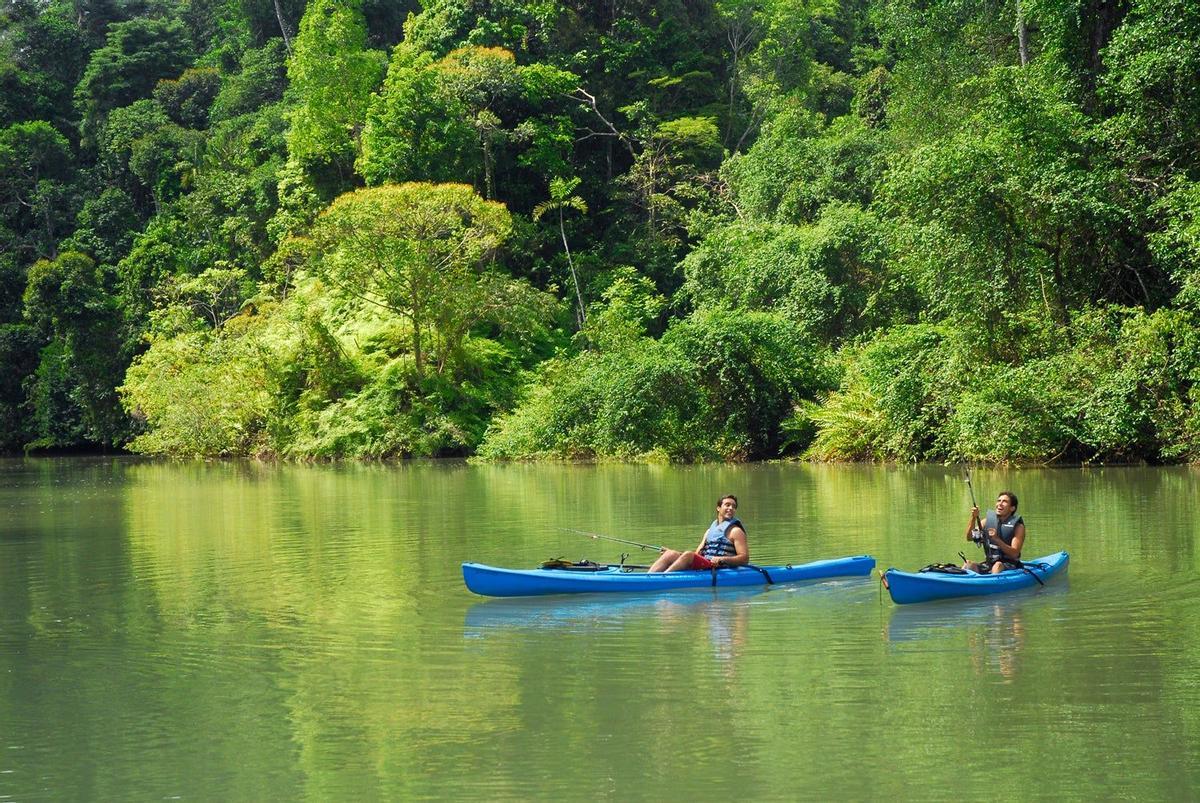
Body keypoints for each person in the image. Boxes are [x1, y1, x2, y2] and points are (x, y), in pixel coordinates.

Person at [648, 494, 749, 573]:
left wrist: (722, 559)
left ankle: (663, 579)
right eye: (727, 505)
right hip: (705, 564)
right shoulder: (709, 531)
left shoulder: (736, 531)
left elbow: (744, 559)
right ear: (718, 508)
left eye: (734, 506)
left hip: (718, 567)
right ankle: (648, 577)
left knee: (688, 554)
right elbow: (697, 555)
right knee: (670, 554)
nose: (731, 508)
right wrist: (677, 553)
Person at [962, 490, 1025, 574]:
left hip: (1010, 564)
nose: (1000, 503)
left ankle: (990, 585)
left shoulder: (1018, 527)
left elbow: (1014, 554)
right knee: (968, 564)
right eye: (999, 501)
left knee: (997, 565)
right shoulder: (987, 521)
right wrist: (973, 518)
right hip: (989, 564)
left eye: (1004, 501)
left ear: (1012, 508)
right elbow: (969, 537)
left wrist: (996, 539)